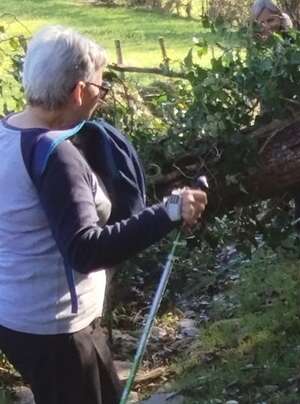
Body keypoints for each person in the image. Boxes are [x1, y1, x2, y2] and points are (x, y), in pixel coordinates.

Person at [0, 26, 208, 404]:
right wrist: (168, 213)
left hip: (20, 319)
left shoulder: (7, 131)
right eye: (100, 88)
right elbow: (86, 250)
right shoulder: (54, 156)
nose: (100, 98)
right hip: (58, 330)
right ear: (79, 91)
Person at [249, 0, 300, 235]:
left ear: (281, 18)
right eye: (262, 22)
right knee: (279, 171)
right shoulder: (256, 50)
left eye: (272, 20)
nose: (268, 26)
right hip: (272, 119)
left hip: (298, 116)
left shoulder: (294, 43)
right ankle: (282, 224)